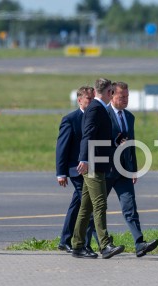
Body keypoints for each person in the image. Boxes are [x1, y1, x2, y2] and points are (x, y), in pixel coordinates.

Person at [71, 77, 125, 259]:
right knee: (100, 203)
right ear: (108, 93)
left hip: (98, 161)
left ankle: (77, 245)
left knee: (85, 207)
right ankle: (105, 244)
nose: (113, 95)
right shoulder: (96, 108)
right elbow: (88, 134)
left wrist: (115, 141)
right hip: (92, 163)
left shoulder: (98, 108)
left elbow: (98, 135)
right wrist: (84, 159)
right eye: (112, 91)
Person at [105, 81, 158, 257]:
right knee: (96, 209)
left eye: (127, 97)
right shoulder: (102, 114)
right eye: (122, 97)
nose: (126, 100)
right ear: (112, 95)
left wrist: (134, 169)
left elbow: (131, 145)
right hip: (104, 169)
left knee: (130, 207)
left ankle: (139, 243)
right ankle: (89, 242)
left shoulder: (129, 117)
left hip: (124, 170)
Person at [55, 86, 98, 254]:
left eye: (93, 99)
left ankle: (65, 240)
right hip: (75, 169)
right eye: (88, 99)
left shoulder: (96, 117)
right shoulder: (70, 119)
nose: (92, 102)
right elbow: (62, 147)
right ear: (80, 100)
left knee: (77, 204)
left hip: (92, 167)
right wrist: (61, 173)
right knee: (89, 204)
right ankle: (91, 242)